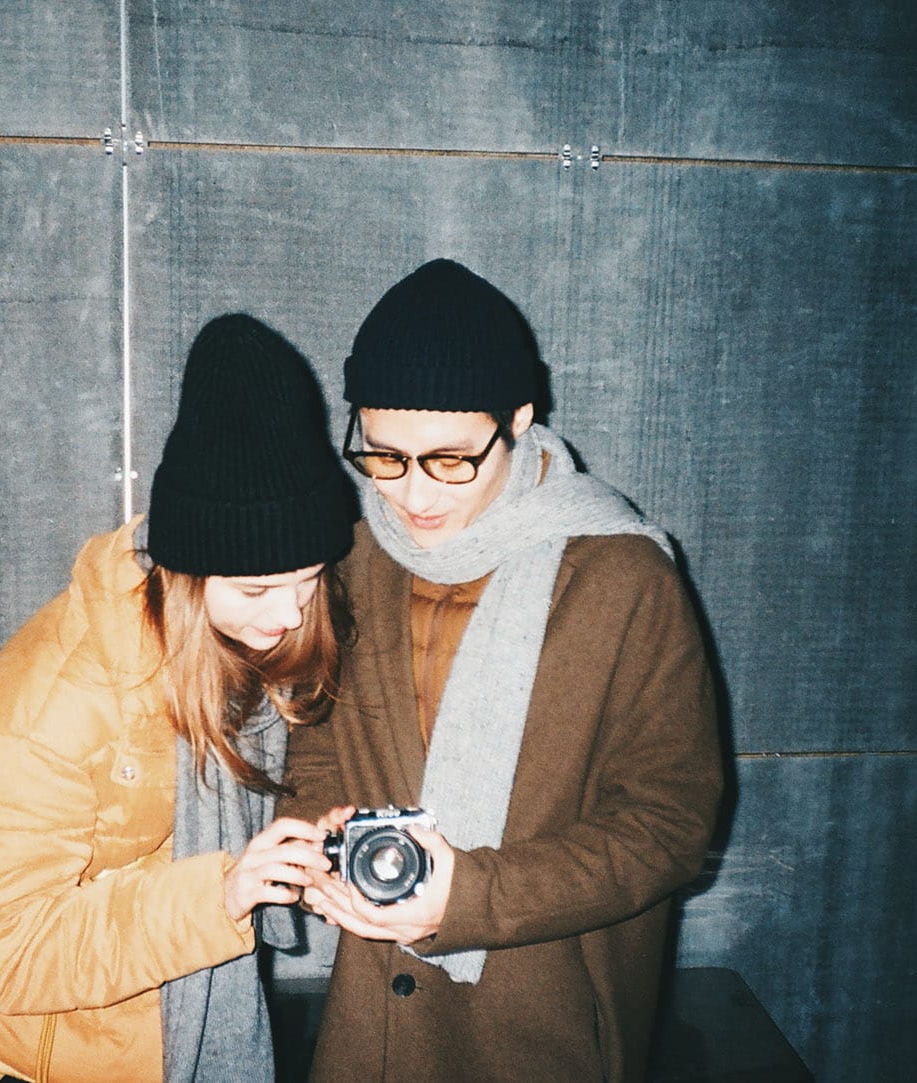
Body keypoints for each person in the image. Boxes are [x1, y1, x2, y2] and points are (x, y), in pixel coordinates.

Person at [0, 314, 355, 1082]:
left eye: (309, 580)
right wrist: (218, 896)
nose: (291, 614)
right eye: (259, 588)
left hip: (174, 1041)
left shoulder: (229, 640)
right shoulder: (48, 712)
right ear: (187, 574)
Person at [279, 259, 723, 1082]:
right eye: (384, 456)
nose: (414, 495)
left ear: (518, 420)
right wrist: (315, 838)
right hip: (371, 1024)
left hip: (541, 1020)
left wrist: (470, 896)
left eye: (451, 460)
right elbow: (316, 740)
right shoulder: (351, 559)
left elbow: (670, 824)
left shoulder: (625, 579)